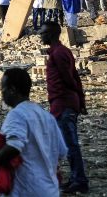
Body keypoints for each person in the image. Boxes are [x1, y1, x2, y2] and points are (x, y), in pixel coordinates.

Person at [0, 68, 68, 195]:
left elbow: (14, 146)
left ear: (12, 90)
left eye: (3, 89)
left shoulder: (17, 114)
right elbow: (62, 151)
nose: (2, 94)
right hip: (50, 190)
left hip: (27, 189)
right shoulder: (47, 116)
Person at [38, 21, 89, 193]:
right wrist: (80, 100)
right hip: (63, 103)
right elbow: (75, 77)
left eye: (43, 33)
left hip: (64, 103)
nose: (41, 36)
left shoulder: (59, 54)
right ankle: (74, 178)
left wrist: (78, 99)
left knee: (70, 144)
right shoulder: (60, 52)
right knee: (66, 144)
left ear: (52, 34)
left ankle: (79, 180)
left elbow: (69, 78)